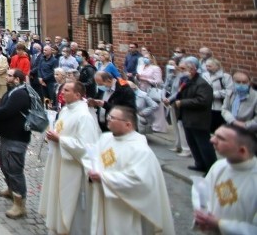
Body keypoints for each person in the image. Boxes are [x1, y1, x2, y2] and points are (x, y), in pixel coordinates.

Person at [88, 106, 176, 235]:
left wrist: (104, 178)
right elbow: (92, 158)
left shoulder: (140, 150)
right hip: (103, 200)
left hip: (124, 208)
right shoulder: (105, 139)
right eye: (109, 116)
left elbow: (139, 181)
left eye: (112, 118)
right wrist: (91, 172)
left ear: (128, 124)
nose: (108, 119)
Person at [39, 81, 101, 235]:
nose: (62, 92)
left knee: (70, 206)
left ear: (78, 95)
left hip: (73, 168)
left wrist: (60, 139)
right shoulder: (66, 110)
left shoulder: (84, 116)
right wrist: (52, 135)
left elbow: (87, 147)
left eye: (66, 90)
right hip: (59, 161)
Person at [0, 69, 32, 219]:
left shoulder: (20, 94)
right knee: (4, 163)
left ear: (18, 79)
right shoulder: (13, 91)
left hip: (17, 138)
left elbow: (7, 111)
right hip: (7, 135)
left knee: (14, 169)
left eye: (10, 76)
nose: (7, 77)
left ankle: (20, 204)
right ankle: (11, 189)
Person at [194, 124, 257, 233]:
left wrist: (220, 224)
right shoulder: (219, 165)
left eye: (221, 138)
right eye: (214, 135)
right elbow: (204, 192)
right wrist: (203, 216)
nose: (212, 140)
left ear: (242, 151)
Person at [164, 57, 216, 173]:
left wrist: (183, 102)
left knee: (203, 143)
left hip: (198, 119)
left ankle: (210, 168)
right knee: (192, 143)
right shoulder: (187, 81)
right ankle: (199, 163)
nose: (182, 71)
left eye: (185, 69)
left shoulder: (201, 84)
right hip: (187, 117)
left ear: (192, 70)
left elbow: (203, 101)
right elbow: (179, 93)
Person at [203, 58, 234, 133]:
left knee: (220, 129)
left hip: (220, 107)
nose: (207, 68)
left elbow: (230, 91)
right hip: (207, 107)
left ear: (217, 66)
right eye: (206, 66)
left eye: (210, 66)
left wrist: (213, 94)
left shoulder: (225, 77)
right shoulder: (204, 75)